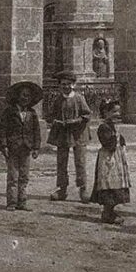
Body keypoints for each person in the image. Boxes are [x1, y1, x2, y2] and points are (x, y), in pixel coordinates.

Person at [46, 71, 91, 202]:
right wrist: (55, 121)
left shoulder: (79, 98)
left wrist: (76, 121)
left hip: (78, 134)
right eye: (63, 84)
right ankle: (62, 189)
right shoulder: (58, 99)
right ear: (60, 86)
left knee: (80, 162)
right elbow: (50, 115)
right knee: (61, 162)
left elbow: (87, 115)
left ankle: (83, 189)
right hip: (63, 134)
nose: (66, 87)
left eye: (69, 84)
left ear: (73, 85)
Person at [0, 81, 42, 211]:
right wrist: (4, 145)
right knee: (13, 176)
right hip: (13, 147)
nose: (25, 98)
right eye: (23, 95)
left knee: (24, 175)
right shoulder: (9, 112)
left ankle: (22, 202)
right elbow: (2, 130)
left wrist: (36, 147)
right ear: (17, 96)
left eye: (28, 96)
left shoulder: (32, 113)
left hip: (26, 147)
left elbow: (36, 131)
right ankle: (11, 202)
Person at [90, 98, 130, 224]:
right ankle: (107, 212)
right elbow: (108, 143)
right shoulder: (104, 127)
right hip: (108, 159)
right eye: (113, 112)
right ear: (106, 113)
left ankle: (110, 211)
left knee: (117, 184)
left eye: (118, 112)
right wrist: (116, 138)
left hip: (116, 158)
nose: (117, 114)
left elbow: (120, 140)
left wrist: (121, 142)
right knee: (109, 185)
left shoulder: (113, 126)